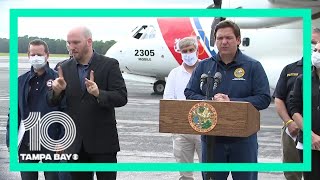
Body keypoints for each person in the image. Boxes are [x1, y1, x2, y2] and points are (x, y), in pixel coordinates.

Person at [184, 20, 271, 180]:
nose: (224, 42)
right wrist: (211, 101)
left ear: (238, 40)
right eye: (220, 38)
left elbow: (264, 98)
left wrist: (231, 102)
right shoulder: (205, 67)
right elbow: (189, 92)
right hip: (212, 139)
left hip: (243, 140)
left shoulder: (253, 66)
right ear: (215, 40)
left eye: (229, 38)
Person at [47, 26, 128, 180]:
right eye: (68, 43)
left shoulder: (109, 65)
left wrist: (99, 93)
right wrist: (56, 91)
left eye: (76, 42)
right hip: (75, 145)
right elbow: (52, 102)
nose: (71, 47)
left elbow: (121, 97)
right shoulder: (63, 67)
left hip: (103, 143)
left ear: (89, 41)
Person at [6, 39, 63, 180]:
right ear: (28, 55)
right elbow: (13, 113)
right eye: (33, 54)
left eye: (39, 54)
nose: (36, 58)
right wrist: (11, 141)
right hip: (26, 142)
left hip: (51, 141)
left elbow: (66, 110)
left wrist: (62, 140)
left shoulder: (59, 80)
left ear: (47, 55)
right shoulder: (20, 81)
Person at [273, 27, 320, 180]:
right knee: (293, 172)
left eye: (318, 44)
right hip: (293, 129)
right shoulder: (291, 69)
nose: (315, 48)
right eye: (312, 43)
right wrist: (289, 122)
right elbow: (280, 99)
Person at [163, 36, 202, 180]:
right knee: (185, 173)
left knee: (209, 170)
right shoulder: (174, 74)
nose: (188, 53)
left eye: (191, 50)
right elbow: (168, 99)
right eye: (184, 51)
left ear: (197, 50)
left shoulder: (207, 71)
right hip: (182, 129)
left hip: (204, 128)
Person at [290, 42, 320, 180]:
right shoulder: (302, 79)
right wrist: (311, 135)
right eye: (316, 50)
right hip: (308, 142)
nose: (316, 54)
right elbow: (294, 108)